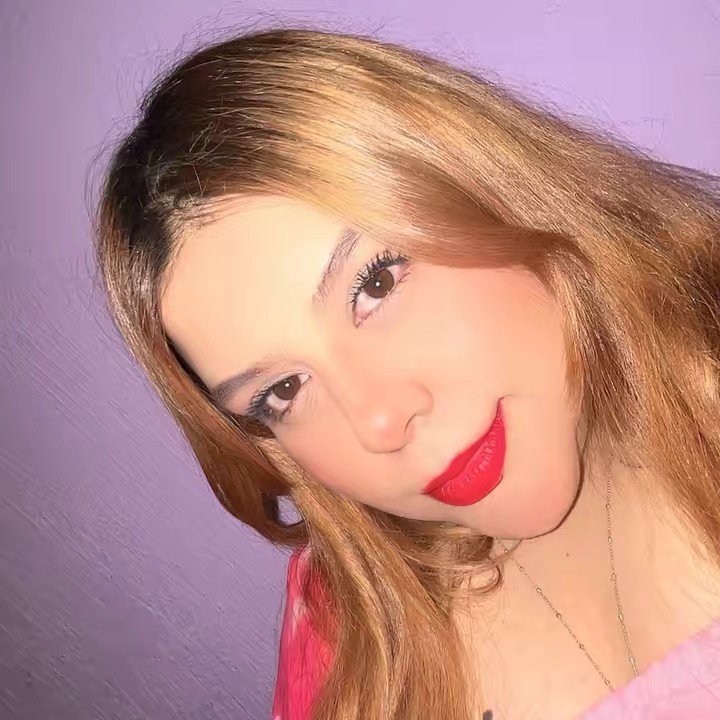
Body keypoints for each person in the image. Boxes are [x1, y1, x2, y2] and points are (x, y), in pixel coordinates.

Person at [95, 28, 720, 720]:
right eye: (283, 390)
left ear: (486, 187)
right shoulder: (351, 638)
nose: (379, 422)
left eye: (376, 283)